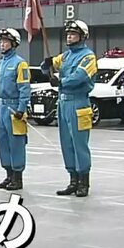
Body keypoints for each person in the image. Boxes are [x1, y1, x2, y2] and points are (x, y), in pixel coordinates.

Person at [43, 20, 99, 198]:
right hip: (63, 103)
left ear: (82, 36)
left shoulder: (88, 57)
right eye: (68, 34)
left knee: (79, 144)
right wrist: (47, 64)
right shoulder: (66, 56)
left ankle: (83, 182)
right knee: (66, 143)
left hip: (79, 103)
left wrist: (61, 81)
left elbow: (80, 76)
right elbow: (50, 66)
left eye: (73, 34)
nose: (69, 37)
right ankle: (73, 179)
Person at [0, 29, 31, 191]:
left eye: (6, 41)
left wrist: (21, 109)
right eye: (1, 41)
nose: (2, 44)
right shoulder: (1, 63)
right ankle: (9, 175)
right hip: (1, 108)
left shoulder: (20, 64)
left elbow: (24, 88)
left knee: (16, 143)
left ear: (14, 43)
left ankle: (17, 178)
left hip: (13, 108)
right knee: (3, 143)